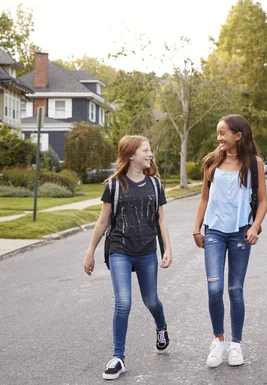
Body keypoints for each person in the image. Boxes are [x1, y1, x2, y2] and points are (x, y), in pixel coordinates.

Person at [83, 135, 173, 380]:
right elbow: (103, 222)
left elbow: (161, 220)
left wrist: (167, 248)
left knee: (151, 300)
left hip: (146, 251)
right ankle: (118, 357)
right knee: (123, 302)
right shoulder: (113, 185)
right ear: (131, 154)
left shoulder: (154, 184)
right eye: (146, 150)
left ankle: (161, 327)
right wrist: (90, 251)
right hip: (119, 250)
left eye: (150, 149)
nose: (150, 153)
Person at [193, 114, 267, 368]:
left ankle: (236, 344)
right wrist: (196, 229)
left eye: (223, 133)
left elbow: (263, 201)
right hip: (213, 232)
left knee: (235, 290)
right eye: (218, 132)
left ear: (238, 135)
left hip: (240, 233)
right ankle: (218, 340)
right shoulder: (211, 162)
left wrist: (255, 227)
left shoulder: (254, 164)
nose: (219, 137)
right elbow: (204, 199)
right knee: (214, 288)